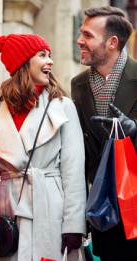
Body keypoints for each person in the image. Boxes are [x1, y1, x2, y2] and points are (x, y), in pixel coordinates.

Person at [0, 34, 86, 261]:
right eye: (42, 55)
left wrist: (74, 224)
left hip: (50, 208)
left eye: (49, 55)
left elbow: (74, 170)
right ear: (22, 63)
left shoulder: (63, 106)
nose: (49, 61)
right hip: (8, 210)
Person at [71, 6, 137, 261]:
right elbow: (82, 152)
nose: (79, 41)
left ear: (112, 42)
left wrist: (134, 130)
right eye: (81, 33)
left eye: (88, 35)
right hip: (104, 213)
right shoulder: (78, 84)